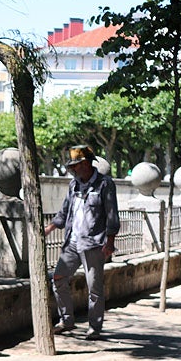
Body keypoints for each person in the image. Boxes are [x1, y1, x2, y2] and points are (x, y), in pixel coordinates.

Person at [44, 145, 120, 341]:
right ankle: (67, 320)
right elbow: (64, 212)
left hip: (94, 244)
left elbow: (112, 216)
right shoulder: (73, 185)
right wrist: (48, 229)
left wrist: (109, 243)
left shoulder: (105, 184)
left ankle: (95, 327)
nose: (73, 170)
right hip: (72, 241)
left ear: (85, 164)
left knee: (94, 288)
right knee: (58, 278)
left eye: (75, 166)